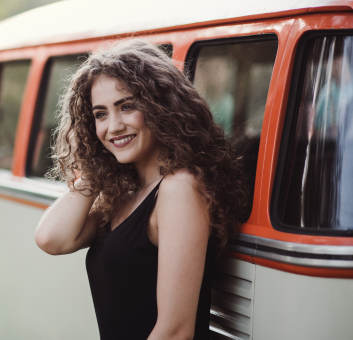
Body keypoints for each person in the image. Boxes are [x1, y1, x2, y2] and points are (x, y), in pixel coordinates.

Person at [34, 39, 247, 340]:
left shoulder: (179, 188)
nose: (114, 126)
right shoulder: (125, 194)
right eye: (100, 114)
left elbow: (176, 331)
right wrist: (96, 167)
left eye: (127, 106)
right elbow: (51, 238)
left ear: (160, 107)